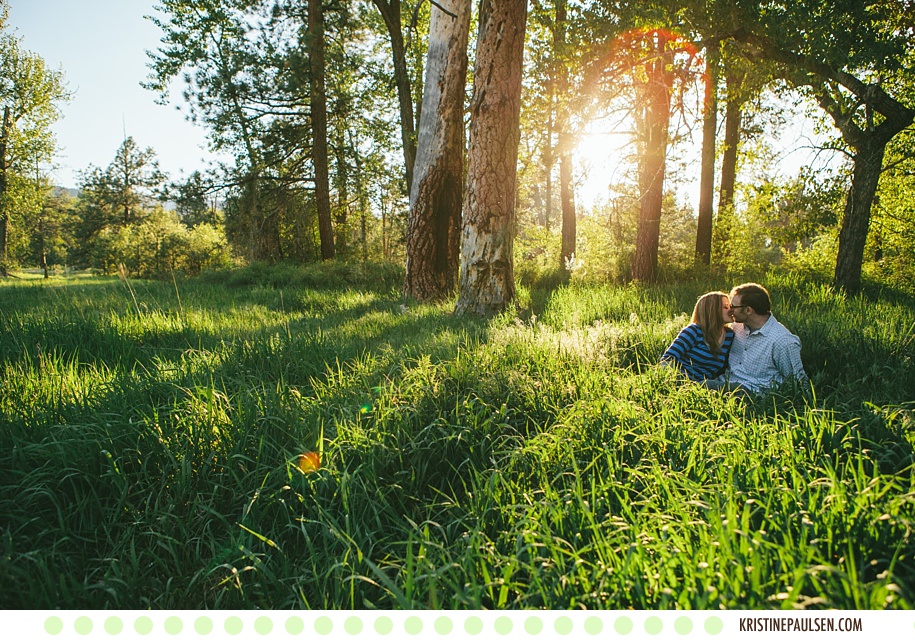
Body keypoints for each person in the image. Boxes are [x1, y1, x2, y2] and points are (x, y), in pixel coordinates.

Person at [708, 282, 808, 393]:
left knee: (702, 386)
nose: (730, 310)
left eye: (733, 307)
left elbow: (798, 380)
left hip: (753, 391)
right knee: (693, 383)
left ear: (748, 310)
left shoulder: (782, 341)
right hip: (726, 381)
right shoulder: (737, 326)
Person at [661, 291, 735, 382]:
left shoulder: (729, 335)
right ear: (712, 310)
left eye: (730, 307)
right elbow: (668, 359)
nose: (731, 310)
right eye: (725, 307)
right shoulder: (693, 331)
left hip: (706, 386)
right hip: (681, 381)